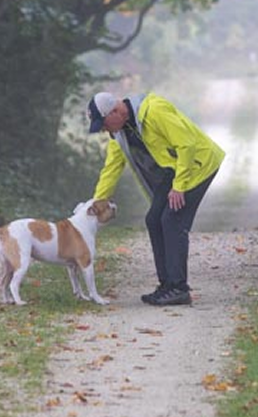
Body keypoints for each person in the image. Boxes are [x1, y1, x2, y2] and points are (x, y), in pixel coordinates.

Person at [87, 91, 225, 306]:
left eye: (103, 123)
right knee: (153, 220)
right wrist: (96, 203)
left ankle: (179, 288)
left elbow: (187, 145)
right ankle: (167, 286)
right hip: (174, 169)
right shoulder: (119, 133)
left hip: (198, 164)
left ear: (115, 110)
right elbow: (112, 168)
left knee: (172, 220)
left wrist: (179, 187)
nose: (104, 129)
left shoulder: (154, 110)